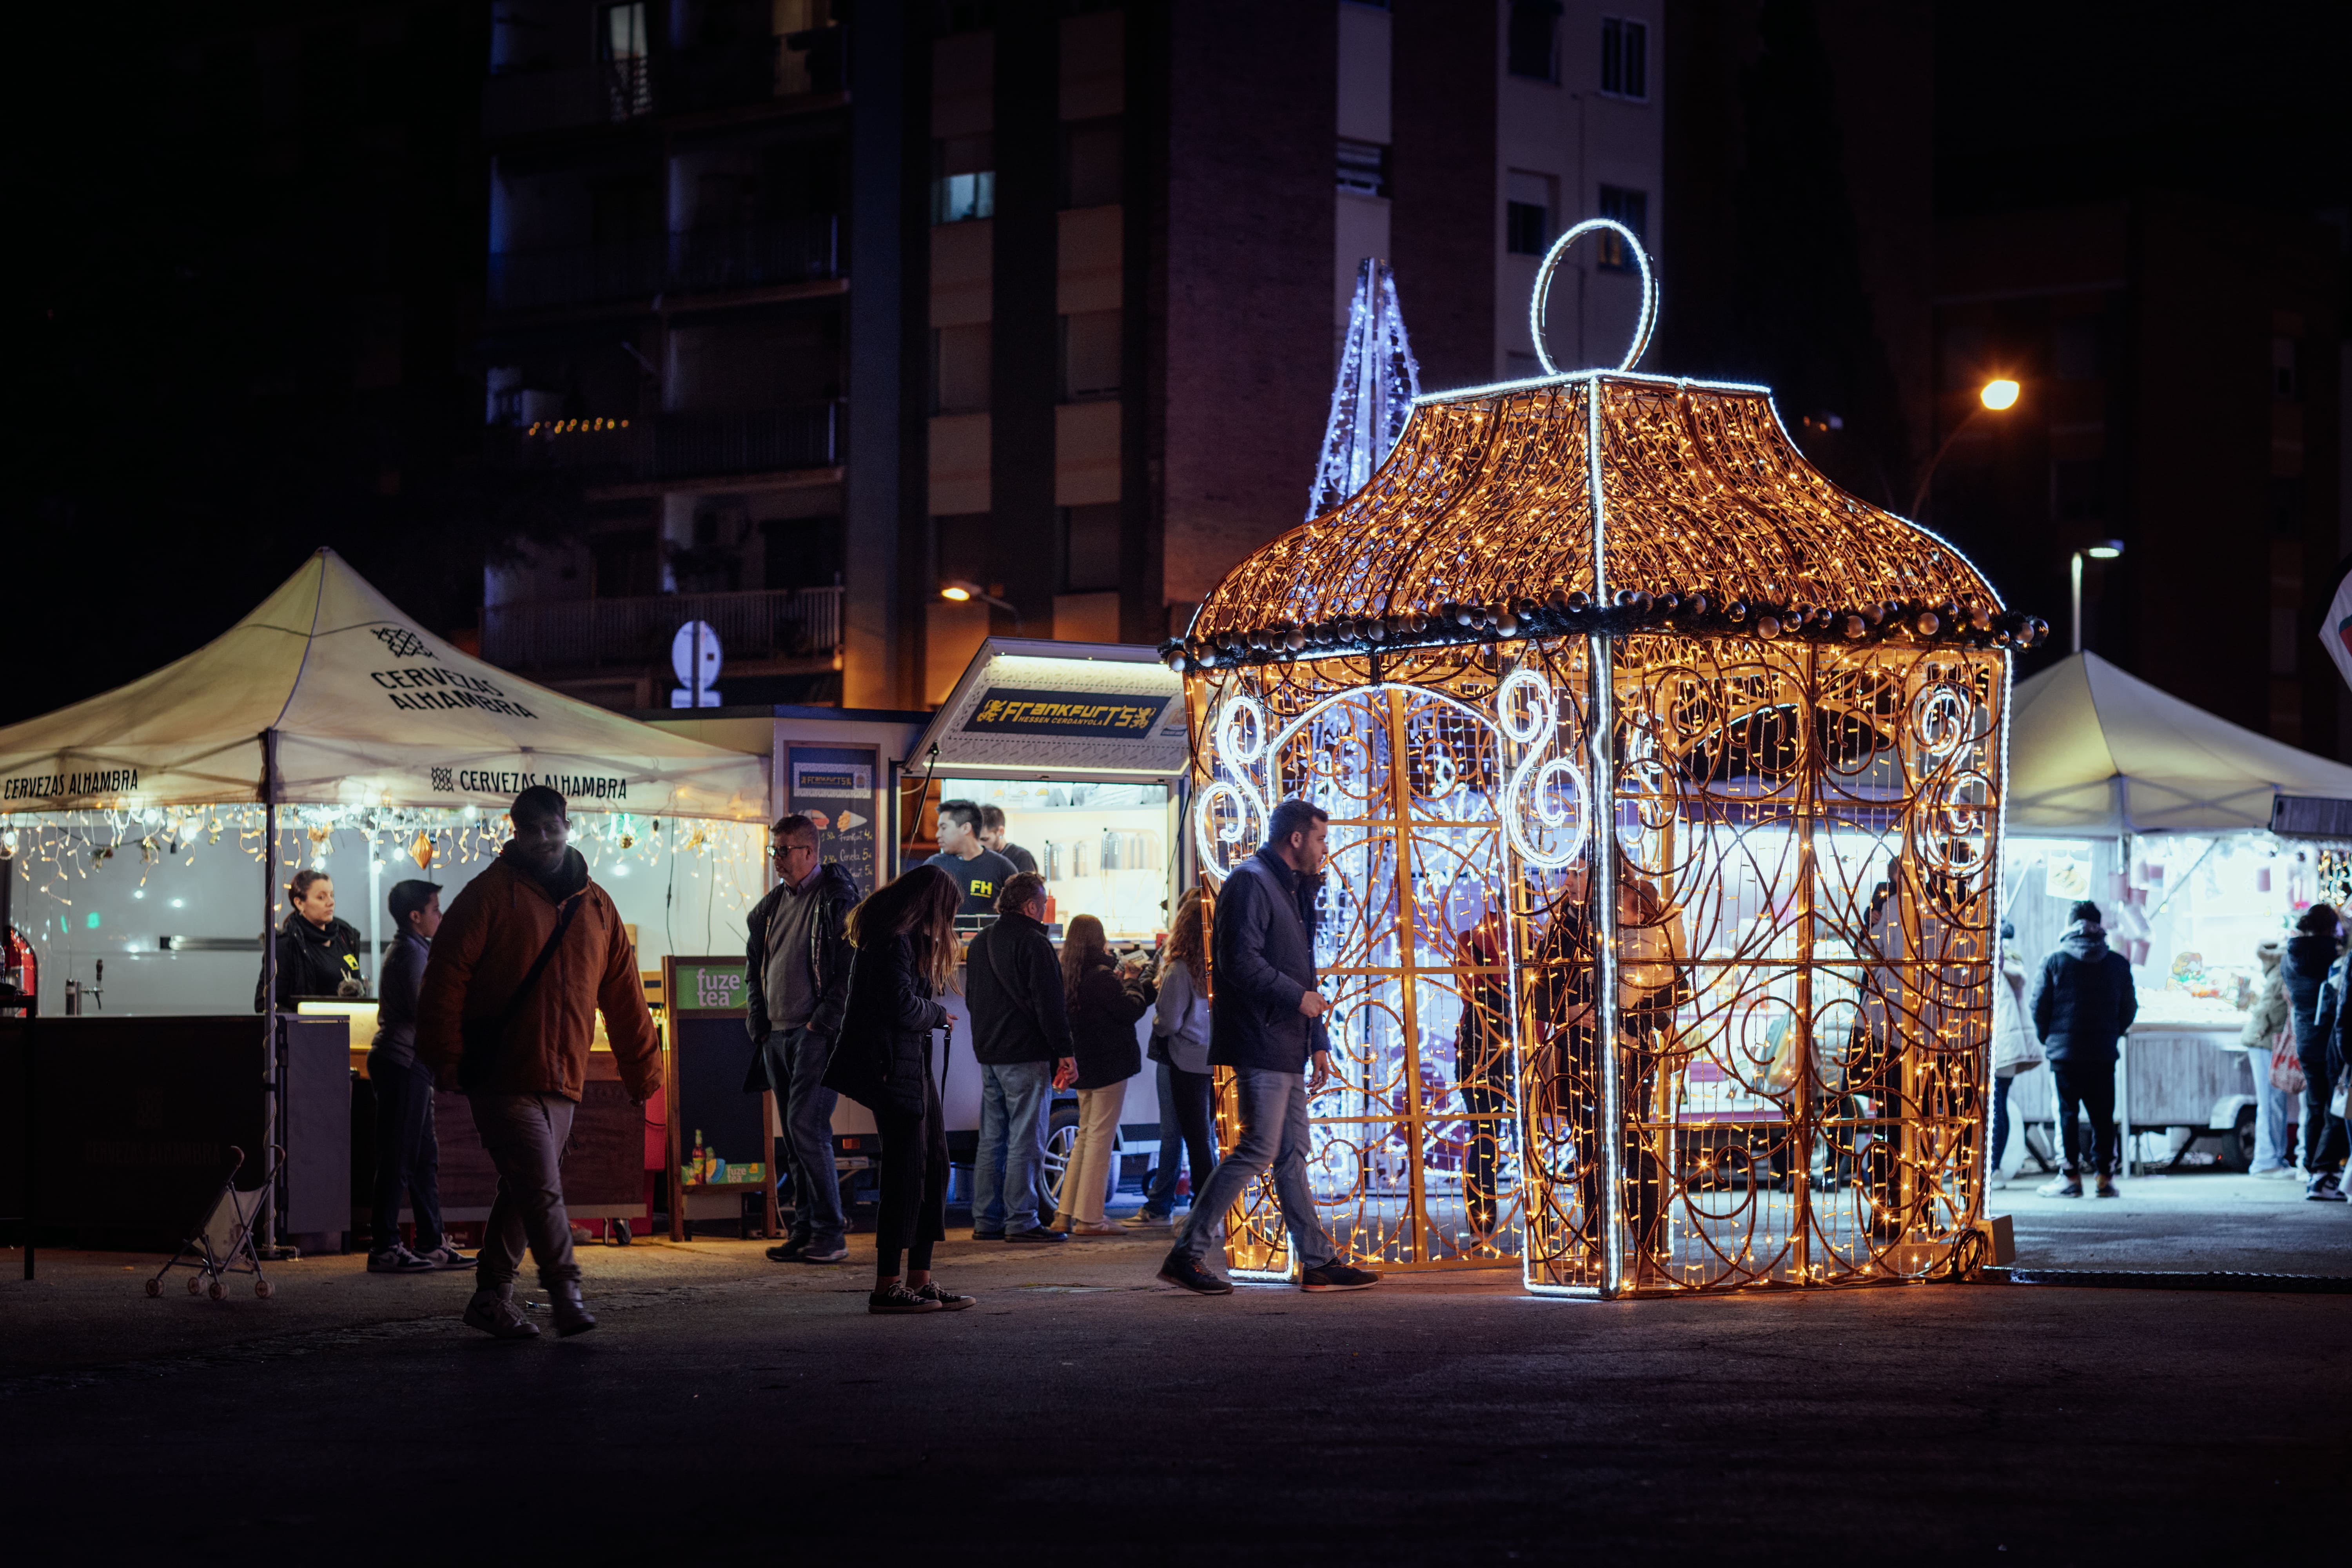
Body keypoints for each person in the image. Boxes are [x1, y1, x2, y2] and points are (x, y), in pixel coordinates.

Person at [417, 787, 661, 1339]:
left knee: (526, 1187)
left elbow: (623, 992)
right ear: (516, 832)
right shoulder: (488, 896)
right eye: (532, 830)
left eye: (552, 828)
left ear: (567, 826)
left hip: (563, 1078)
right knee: (541, 1184)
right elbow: (445, 979)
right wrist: (445, 1055)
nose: (544, 839)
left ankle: (491, 1297)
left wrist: (643, 1068)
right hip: (502, 1074)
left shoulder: (597, 906)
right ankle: (565, 1290)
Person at [1157, 800, 1380, 1295]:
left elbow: (1305, 971)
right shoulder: (1252, 882)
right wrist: (1297, 1000)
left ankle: (1318, 1261)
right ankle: (1187, 1253)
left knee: (1292, 1152)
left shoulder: (1288, 886)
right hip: (1262, 1037)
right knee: (1260, 1149)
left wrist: (1317, 1038)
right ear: (1296, 839)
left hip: (1285, 1039)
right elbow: (1239, 962)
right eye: (1321, 839)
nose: (1326, 849)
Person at [822, 864, 977, 1314]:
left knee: (933, 1167)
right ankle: (887, 1285)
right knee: (907, 1174)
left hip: (907, 1065)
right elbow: (900, 1004)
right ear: (929, 906)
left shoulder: (900, 939)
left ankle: (919, 1279)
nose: (947, 923)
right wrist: (935, 1014)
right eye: (946, 912)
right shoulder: (893, 942)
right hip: (891, 1067)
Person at [743, 813, 862, 1265]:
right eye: (774, 850)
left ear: (810, 853)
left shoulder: (836, 900)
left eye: (785, 850)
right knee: (795, 1137)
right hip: (777, 1034)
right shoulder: (772, 907)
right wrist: (758, 1021)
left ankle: (830, 1234)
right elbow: (754, 968)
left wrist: (823, 1022)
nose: (777, 859)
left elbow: (850, 968)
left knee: (806, 1128)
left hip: (814, 1035)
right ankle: (806, 1229)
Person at [963, 871, 1073, 1243]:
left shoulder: (979, 943)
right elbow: (1050, 1005)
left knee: (993, 1138)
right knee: (1027, 1138)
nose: (1044, 912)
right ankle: (1022, 1219)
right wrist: (1065, 1052)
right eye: (1042, 905)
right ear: (1030, 906)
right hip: (1025, 1054)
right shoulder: (1035, 944)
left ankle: (987, 1219)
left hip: (989, 1054)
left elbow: (972, 1000)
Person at [366, 879, 468, 1273]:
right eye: (436, 909)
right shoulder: (411, 954)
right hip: (403, 1062)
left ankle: (431, 1241)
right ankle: (386, 1245)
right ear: (416, 916)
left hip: (412, 1064)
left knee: (424, 1158)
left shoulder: (417, 951)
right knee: (400, 1157)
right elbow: (427, 1012)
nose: (440, 916)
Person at [2028, 899, 2136, 1198]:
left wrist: (2049, 1039)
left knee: (2067, 1114)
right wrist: (2113, 1034)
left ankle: (2070, 1177)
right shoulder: (2117, 963)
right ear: (2099, 925)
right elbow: (2130, 1008)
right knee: (2104, 1115)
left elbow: (2039, 1006)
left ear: (2070, 924)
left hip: (2064, 1054)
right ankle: (2105, 1178)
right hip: (2103, 1052)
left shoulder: (2054, 961)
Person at [1128, 887, 1218, 1229]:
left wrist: (1156, 1018)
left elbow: (1168, 1022)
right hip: (1213, 1061)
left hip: (1183, 1060)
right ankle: (1205, 1207)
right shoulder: (1216, 967)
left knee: (1187, 1137)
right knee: (1205, 1138)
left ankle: (1193, 1211)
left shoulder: (1180, 969)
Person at [1055, 915, 1149, 1235]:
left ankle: (1063, 1215)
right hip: (1110, 1065)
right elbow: (1129, 1012)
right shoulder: (1102, 976)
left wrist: (1129, 982)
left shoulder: (1069, 973)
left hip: (1084, 1065)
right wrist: (1134, 981)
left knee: (1084, 1137)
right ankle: (1092, 1219)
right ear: (1099, 939)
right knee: (1100, 1139)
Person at [2287, 905, 2348, 1200]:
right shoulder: (2334, 959)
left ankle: (2312, 1168)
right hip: (2332, 1039)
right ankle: (2326, 1172)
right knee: (2335, 1107)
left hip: (2306, 1039)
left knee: (2315, 1106)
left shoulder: (2290, 957)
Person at [254, 867, 365, 1011]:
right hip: (309, 1032)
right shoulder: (285, 946)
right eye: (321, 897)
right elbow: (265, 1004)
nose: (331, 902)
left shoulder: (346, 937)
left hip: (350, 1029)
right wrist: (304, 1024)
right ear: (300, 903)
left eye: (332, 895)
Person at [1987, 919, 2044, 1189]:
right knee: (2001, 1105)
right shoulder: (2014, 966)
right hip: (2010, 1047)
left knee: (1995, 1107)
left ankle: (1993, 1169)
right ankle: (1994, 1168)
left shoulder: (1993, 966)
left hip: (1998, 1045)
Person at [2239, 939, 2298, 1177]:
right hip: (2266, 1041)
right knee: (2272, 1102)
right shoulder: (2287, 967)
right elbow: (2272, 1008)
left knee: (2274, 1103)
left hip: (2267, 1040)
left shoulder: (2279, 966)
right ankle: (2266, 1161)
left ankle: (2274, 1159)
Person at [926, 798, 1017, 918]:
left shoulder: (1003, 867)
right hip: (944, 937)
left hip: (989, 936)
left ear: (966, 828)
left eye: (944, 827)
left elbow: (1018, 915)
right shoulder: (934, 866)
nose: (938, 835)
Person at [980, 804, 1038, 876]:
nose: (980, 845)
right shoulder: (978, 858)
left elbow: (1031, 887)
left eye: (985, 839)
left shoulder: (1021, 858)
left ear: (1001, 832)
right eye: (976, 840)